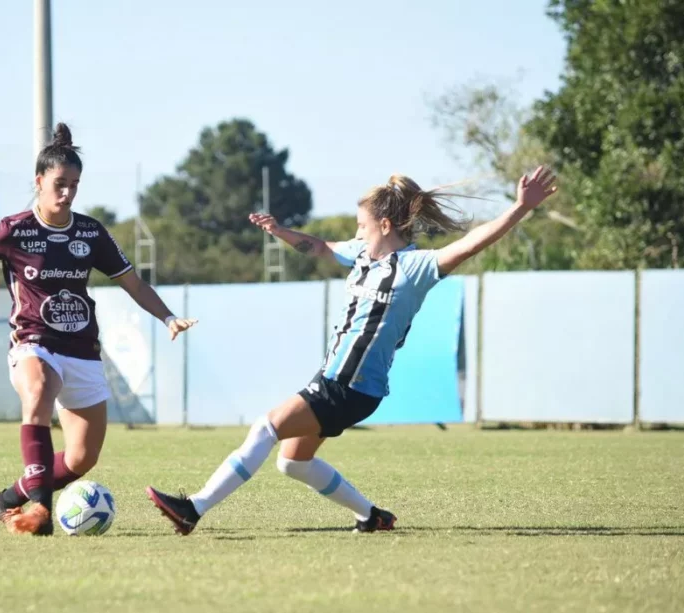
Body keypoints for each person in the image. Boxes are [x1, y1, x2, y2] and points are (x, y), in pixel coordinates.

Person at [146, 166, 557, 535]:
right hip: (339, 383)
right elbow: (321, 247)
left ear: (383, 224)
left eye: (362, 226)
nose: (356, 233)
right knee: (292, 461)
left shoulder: (414, 267)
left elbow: (469, 244)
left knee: (265, 428)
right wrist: (280, 232)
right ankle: (372, 516)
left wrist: (521, 208)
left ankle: (193, 509)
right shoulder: (362, 254)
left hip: (349, 386)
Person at [0, 123, 197, 536]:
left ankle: (8, 499)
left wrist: (168, 317)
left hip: (81, 348)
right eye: (60, 183)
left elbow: (132, 283)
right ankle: (40, 511)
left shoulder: (90, 232)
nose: (68, 193)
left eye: (75, 185)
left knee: (81, 459)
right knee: (39, 390)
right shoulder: (15, 229)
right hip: (33, 342)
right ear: (39, 181)